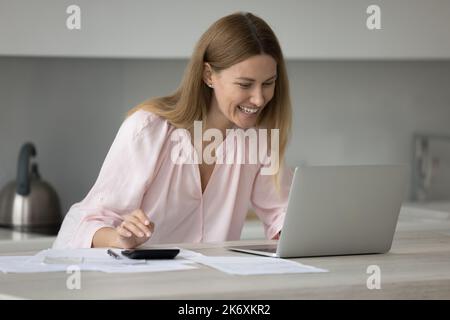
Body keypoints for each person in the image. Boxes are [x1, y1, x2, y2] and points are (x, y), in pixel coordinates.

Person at [53, 12, 294, 249]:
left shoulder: (257, 140)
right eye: (245, 84)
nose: (259, 98)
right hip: (144, 283)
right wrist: (120, 238)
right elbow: (82, 224)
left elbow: (283, 215)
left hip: (215, 285)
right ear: (209, 75)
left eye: (268, 83)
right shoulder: (148, 130)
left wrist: (297, 231)